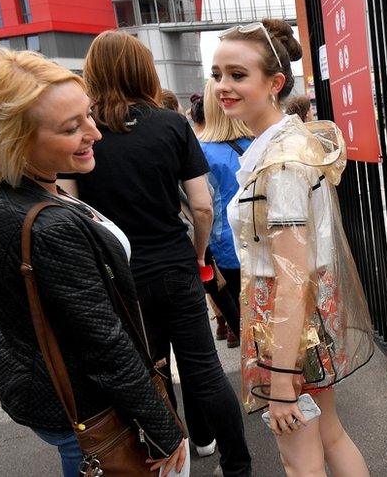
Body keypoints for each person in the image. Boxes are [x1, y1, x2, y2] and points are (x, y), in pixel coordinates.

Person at [0, 48, 186, 477]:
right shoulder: (46, 226)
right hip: (84, 402)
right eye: (71, 127)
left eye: (89, 116)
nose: (95, 134)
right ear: (16, 139)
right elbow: (104, 343)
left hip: (40, 382)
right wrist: (164, 428)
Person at [62, 30, 252, 476]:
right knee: (205, 369)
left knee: (150, 372)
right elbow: (202, 206)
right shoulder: (171, 124)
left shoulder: (85, 135)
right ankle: (238, 466)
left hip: (118, 276)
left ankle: (172, 457)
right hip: (174, 262)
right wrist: (198, 255)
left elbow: (74, 211)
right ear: (143, 69)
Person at [213, 19, 375, 476]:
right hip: (300, 314)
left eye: (238, 75)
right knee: (329, 435)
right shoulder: (285, 145)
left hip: (288, 320)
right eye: (218, 73)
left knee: (300, 459)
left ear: (275, 83)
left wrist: (283, 380)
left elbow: (290, 275)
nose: (223, 86)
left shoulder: (281, 162)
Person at [197, 79, 250, 346]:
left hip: (225, 247)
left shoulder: (201, 151)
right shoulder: (259, 141)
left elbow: (202, 206)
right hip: (264, 241)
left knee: (241, 319)